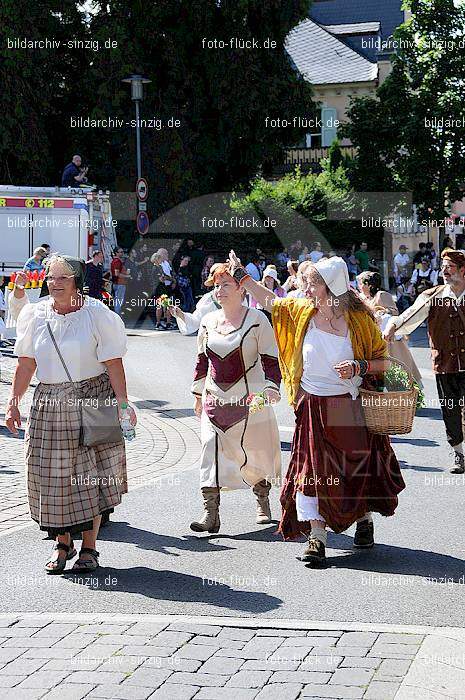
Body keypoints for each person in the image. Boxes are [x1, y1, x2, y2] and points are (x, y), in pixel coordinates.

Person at [229, 250, 405, 568]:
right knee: (310, 473)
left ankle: (363, 517)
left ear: (331, 287)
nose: (305, 290)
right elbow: (270, 300)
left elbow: (383, 361)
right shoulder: (302, 311)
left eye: (311, 284)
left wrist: (358, 365)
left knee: (351, 470)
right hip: (312, 404)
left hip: (349, 406)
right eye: (306, 283)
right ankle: (317, 537)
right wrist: (241, 274)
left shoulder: (360, 321)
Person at [5, 255, 136, 573]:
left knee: (93, 475)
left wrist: (123, 403)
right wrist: (13, 402)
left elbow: (113, 362)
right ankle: (62, 543)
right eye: (51, 277)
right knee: (51, 476)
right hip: (49, 402)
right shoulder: (35, 315)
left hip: (94, 398)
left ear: (77, 280)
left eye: (63, 277)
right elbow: (26, 362)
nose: (55, 283)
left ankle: (89, 548)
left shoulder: (96, 314)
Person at [190, 263, 282, 532]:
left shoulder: (257, 319)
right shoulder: (208, 321)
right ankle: (210, 514)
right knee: (210, 449)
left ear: (241, 288)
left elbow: (271, 358)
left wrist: (271, 388)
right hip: (213, 397)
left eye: (226, 285)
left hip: (251, 400)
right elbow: (201, 361)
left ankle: (262, 502)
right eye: (216, 286)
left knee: (254, 451)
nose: (219, 291)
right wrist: (197, 395)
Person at [385, 249, 465, 474]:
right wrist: (393, 325)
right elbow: (410, 315)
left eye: (449, 267)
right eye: (443, 267)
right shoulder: (433, 296)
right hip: (445, 364)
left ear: (463, 270)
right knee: (450, 411)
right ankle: (458, 454)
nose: (444, 272)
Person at [357, 271, 422, 386]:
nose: (359, 286)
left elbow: (394, 311)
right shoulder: (363, 298)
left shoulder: (381, 295)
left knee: (395, 365)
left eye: (361, 284)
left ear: (369, 285)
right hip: (373, 338)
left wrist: (380, 312)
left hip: (388, 339)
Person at [111, 248, 130, 316]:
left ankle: (117, 315)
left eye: (123, 252)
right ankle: (117, 316)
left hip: (118, 283)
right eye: (120, 252)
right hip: (120, 284)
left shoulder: (116, 261)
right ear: (116, 253)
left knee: (117, 300)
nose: (122, 253)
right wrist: (127, 276)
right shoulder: (117, 261)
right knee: (119, 301)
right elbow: (117, 273)